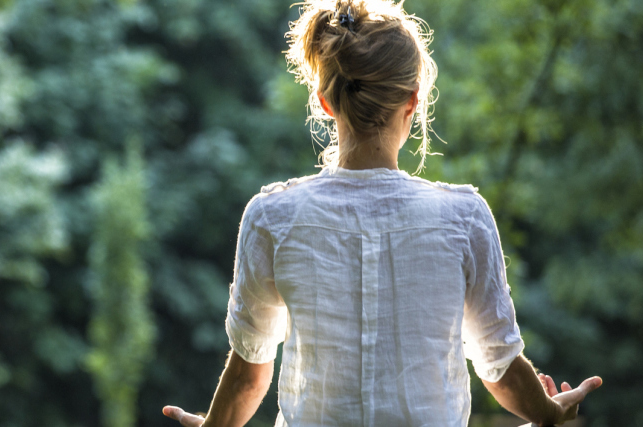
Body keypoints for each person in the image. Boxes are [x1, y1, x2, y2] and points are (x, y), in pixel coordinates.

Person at [160, 1, 602, 426]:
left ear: (326, 102)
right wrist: (547, 411)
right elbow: (499, 366)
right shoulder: (463, 217)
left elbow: (249, 373)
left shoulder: (273, 218)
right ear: (412, 101)